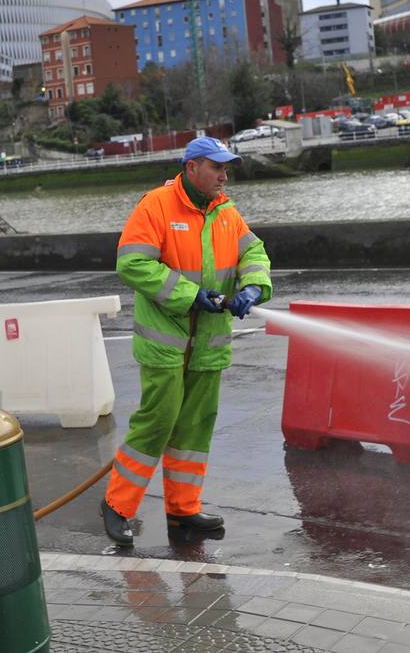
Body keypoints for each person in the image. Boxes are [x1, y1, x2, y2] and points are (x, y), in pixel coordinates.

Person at [100, 136, 272, 545]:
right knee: (157, 423)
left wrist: (253, 285)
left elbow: (255, 253)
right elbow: (131, 263)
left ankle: (183, 510)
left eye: (227, 167)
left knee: (195, 427)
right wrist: (189, 295)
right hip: (166, 343)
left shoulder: (226, 211)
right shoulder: (156, 206)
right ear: (192, 167)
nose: (224, 175)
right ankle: (118, 506)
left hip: (208, 346)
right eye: (217, 167)